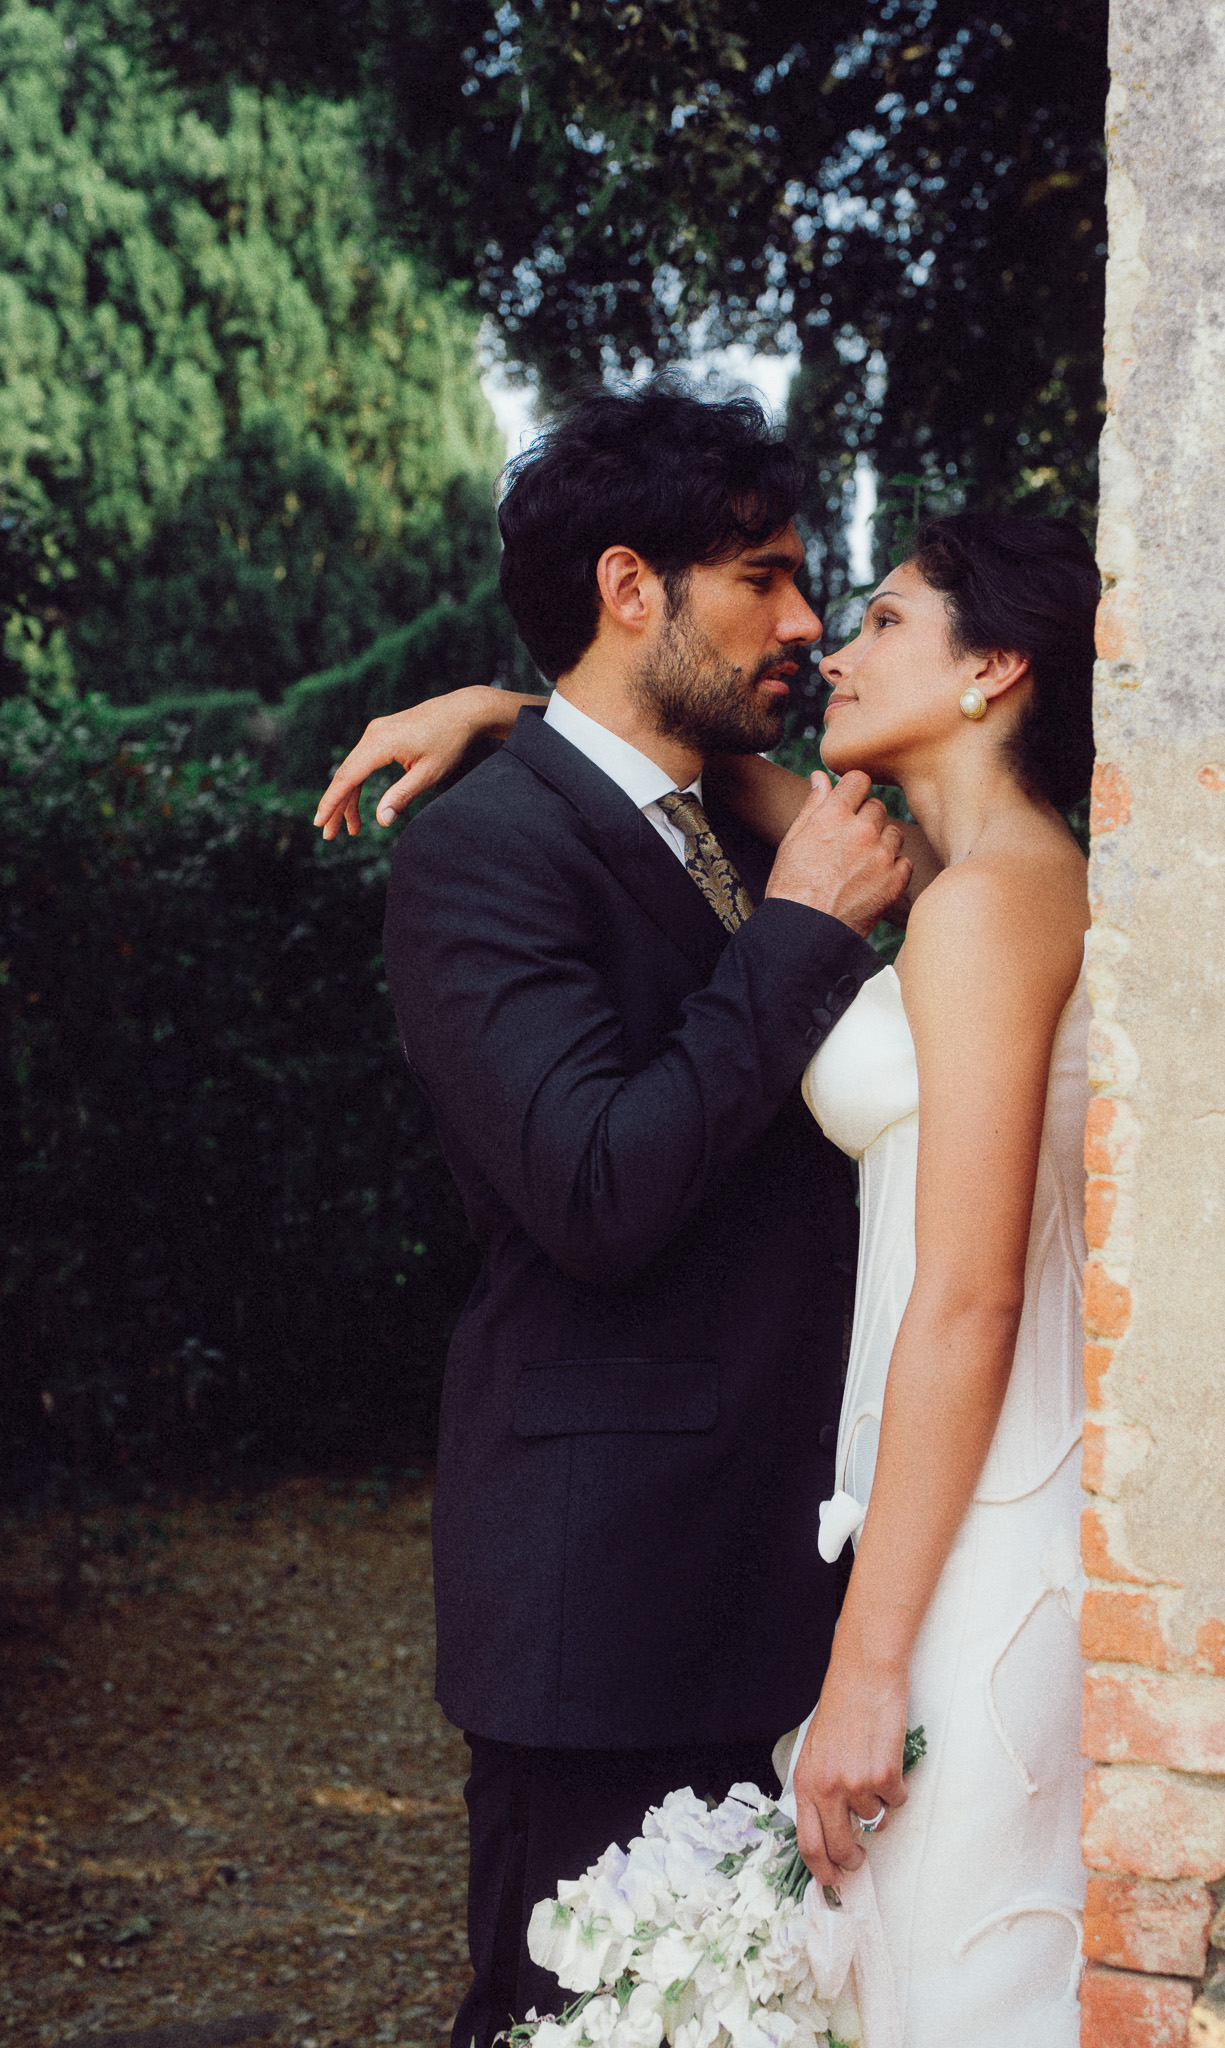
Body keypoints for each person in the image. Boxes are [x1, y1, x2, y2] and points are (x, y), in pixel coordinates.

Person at [322, 484, 1097, 2046]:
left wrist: (868, 1663)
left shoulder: (982, 905)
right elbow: (688, 780)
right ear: (633, 588)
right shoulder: (924, 866)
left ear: (992, 670)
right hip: (764, 1545)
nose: (822, 640)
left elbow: (971, 1291)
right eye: (784, 587)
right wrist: (509, 707)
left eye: (874, 615)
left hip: (956, 1523)